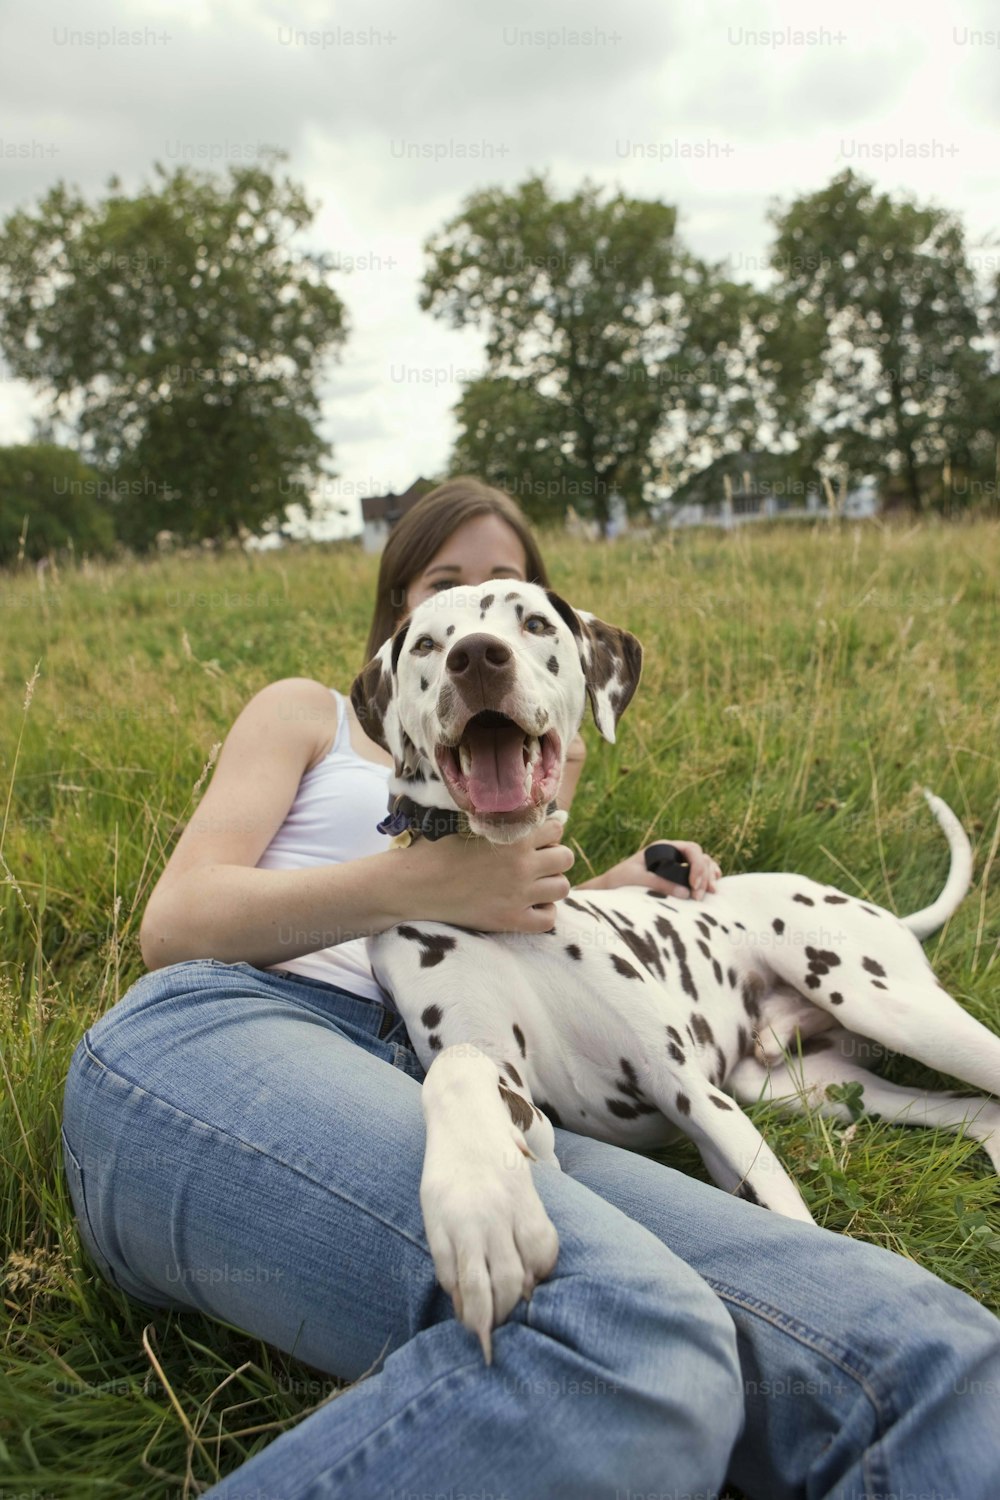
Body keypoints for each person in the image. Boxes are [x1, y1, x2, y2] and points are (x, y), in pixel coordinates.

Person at [61, 477, 1000, 1500]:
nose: (478, 632)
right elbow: (174, 922)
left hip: (477, 1078)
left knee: (926, 1353)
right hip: (244, 1030)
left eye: (509, 594)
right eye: (444, 591)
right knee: (635, 1341)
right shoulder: (311, 715)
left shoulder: (520, 764)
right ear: (401, 634)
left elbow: (515, 952)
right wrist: (417, 880)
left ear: (562, 653)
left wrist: (603, 889)